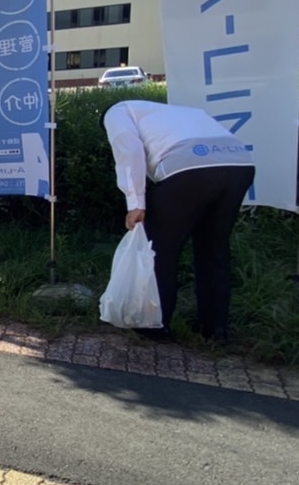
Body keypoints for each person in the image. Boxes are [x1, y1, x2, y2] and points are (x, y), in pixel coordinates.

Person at [103, 99, 255, 341]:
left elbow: (129, 151)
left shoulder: (116, 111)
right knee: (214, 248)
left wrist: (135, 203)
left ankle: (155, 324)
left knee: (161, 249)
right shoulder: (178, 111)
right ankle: (215, 329)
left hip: (187, 169)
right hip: (239, 164)